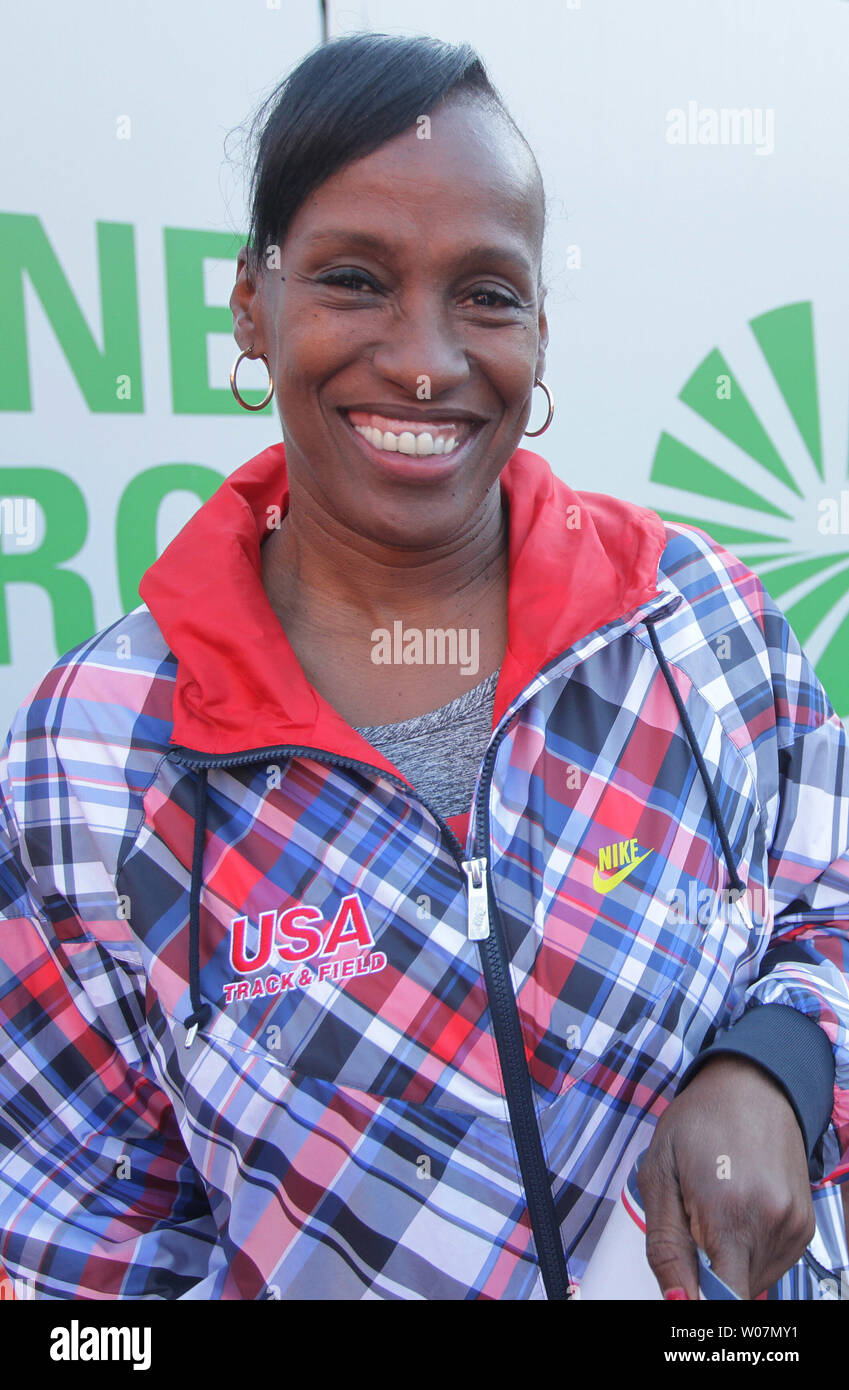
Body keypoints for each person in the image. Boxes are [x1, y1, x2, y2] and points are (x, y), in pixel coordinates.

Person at [0, 31, 848, 1302]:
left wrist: (777, 1062)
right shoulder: (96, 751)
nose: (424, 359)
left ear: (542, 329)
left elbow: (828, 903)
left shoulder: (699, 623)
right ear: (250, 301)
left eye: (486, 294)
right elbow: (75, 1240)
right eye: (353, 279)